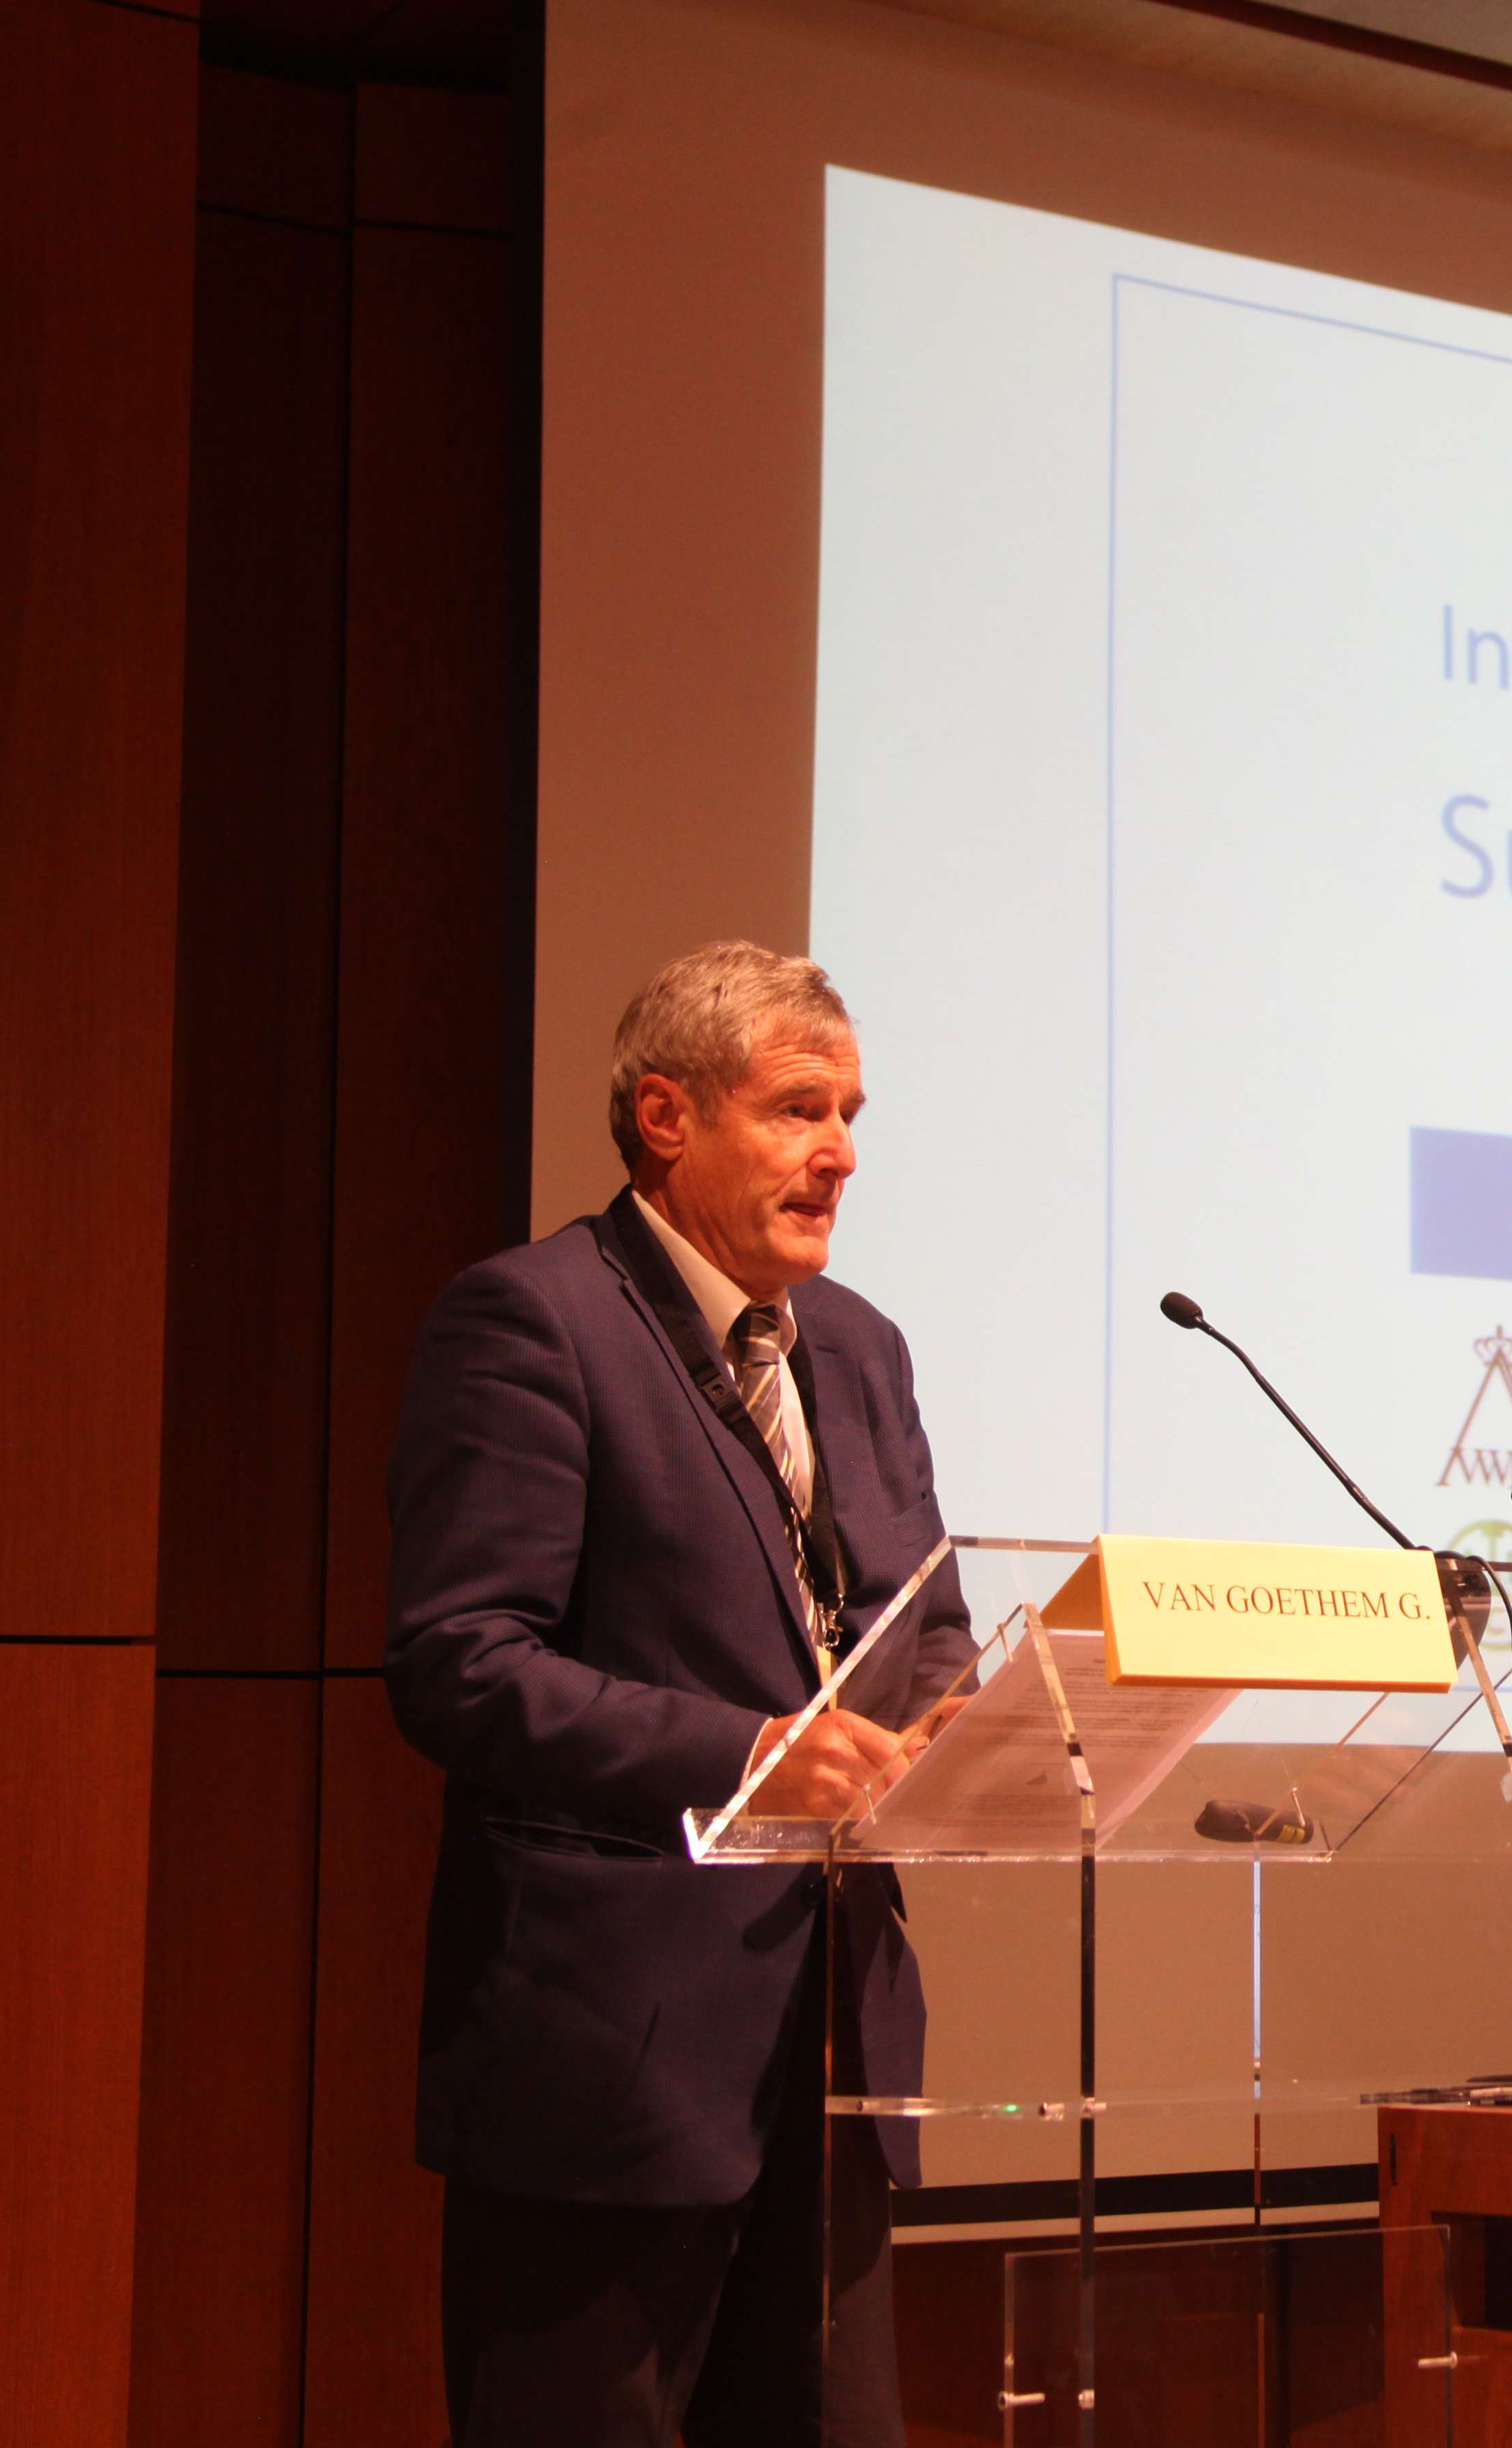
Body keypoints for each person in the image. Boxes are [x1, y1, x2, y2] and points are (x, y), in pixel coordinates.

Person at [387, 941, 975, 2447]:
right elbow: (463, 1663)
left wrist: (957, 1727)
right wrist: (749, 1753)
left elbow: (927, 1626)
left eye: (850, 1116)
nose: (840, 1154)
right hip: (610, 2069)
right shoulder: (535, 1322)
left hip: (834, 2054)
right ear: (665, 1116)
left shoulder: (863, 1349)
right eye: (797, 1110)